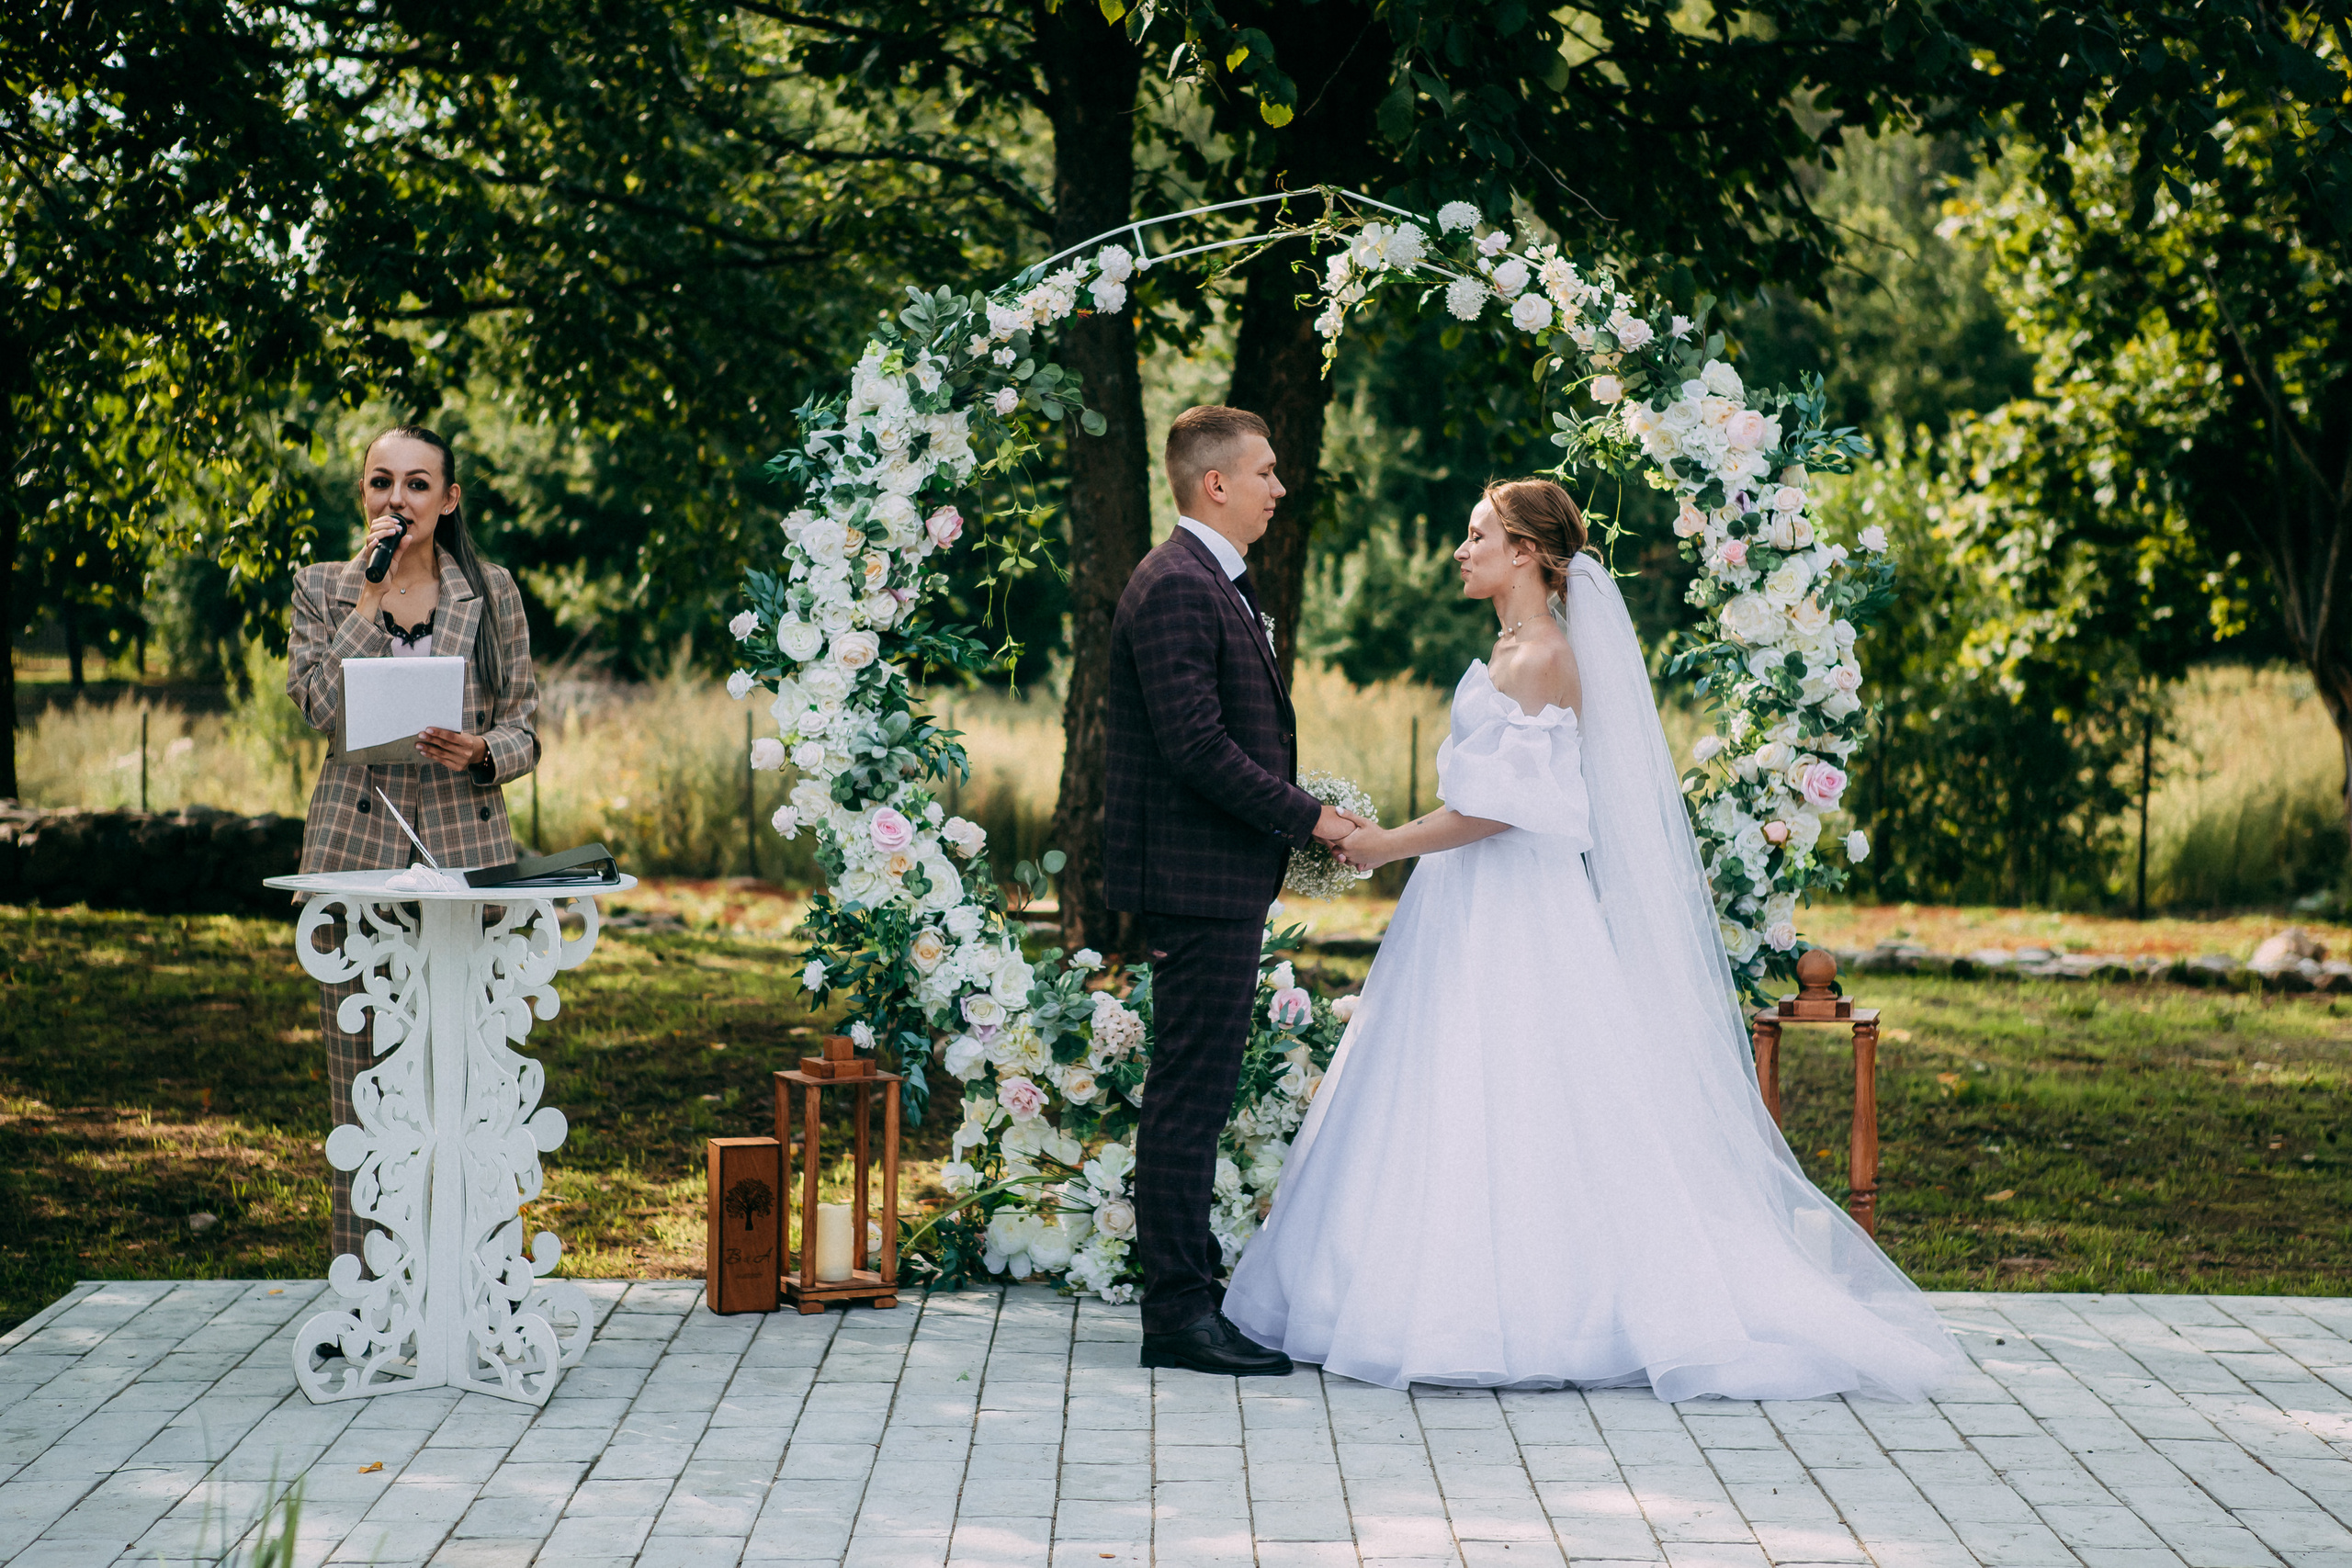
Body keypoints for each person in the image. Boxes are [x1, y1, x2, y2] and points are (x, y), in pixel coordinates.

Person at [1221, 478, 1964, 1401]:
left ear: (1527, 552)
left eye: (1477, 534)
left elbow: (1505, 809)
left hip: (1512, 903)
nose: (1461, 549)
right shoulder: (1505, 646)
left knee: (1520, 1086)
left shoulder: (1540, 658)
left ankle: (1523, 1307)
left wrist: (1382, 845)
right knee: (1448, 1081)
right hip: (1465, 903)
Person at [1103, 405, 1362, 1376]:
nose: (1278, 487)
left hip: (1215, 878)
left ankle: (1190, 1294)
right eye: (1265, 471)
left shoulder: (1208, 579)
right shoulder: (1175, 583)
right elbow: (1196, 748)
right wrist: (1312, 819)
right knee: (1188, 1096)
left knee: (1196, 1091)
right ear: (1214, 483)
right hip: (1193, 879)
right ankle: (1176, 1313)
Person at [286, 424, 539, 1269]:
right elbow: (322, 708)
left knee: (469, 1084)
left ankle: (475, 1274)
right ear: (364, 495)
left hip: (467, 856)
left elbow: (527, 727)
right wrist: (369, 596)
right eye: (381, 483)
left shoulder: (492, 591)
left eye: (418, 484)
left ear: (450, 498)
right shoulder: (322, 588)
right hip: (354, 855)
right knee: (362, 1091)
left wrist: (484, 752)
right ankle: (370, 1287)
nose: (398, 499)